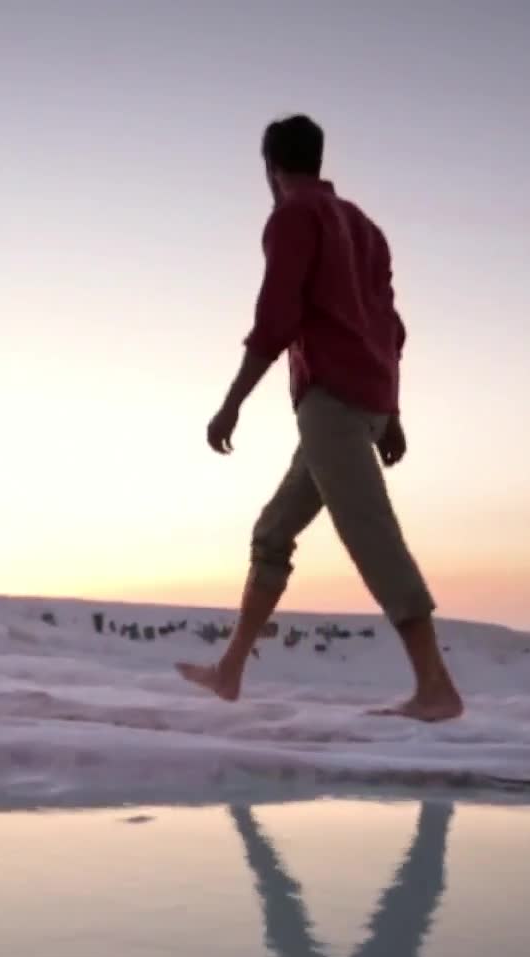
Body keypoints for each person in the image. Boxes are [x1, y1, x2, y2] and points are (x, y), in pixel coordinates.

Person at [176, 115, 463, 720]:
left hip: (332, 407)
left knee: (372, 535)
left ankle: (435, 688)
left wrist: (231, 404)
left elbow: (275, 319)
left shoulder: (293, 216)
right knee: (273, 532)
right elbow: (390, 327)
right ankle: (230, 672)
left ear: (271, 167)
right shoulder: (365, 228)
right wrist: (391, 413)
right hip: (366, 404)